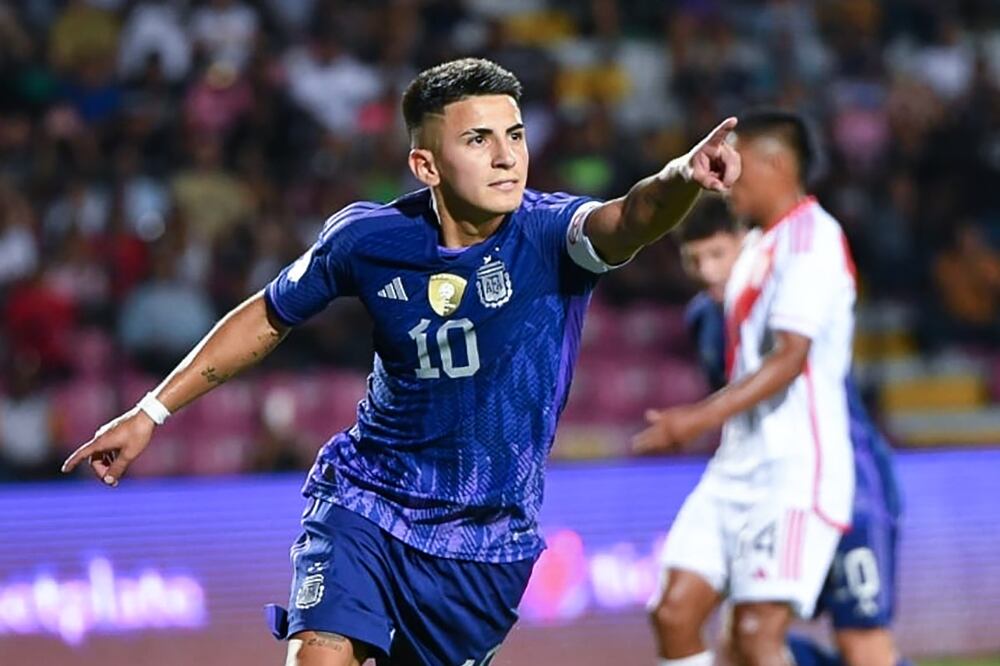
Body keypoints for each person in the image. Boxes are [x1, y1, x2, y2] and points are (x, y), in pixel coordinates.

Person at [62, 58, 740, 666]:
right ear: (426, 165)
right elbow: (271, 313)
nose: (507, 158)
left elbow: (633, 219)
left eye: (516, 135)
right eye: (479, 139)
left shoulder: (549, 235)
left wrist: (683, 175)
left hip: (485, 542)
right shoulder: (369, 238)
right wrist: (151, 412)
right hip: (368, 500)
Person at [633, 109, 857, 666]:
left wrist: (694, 420)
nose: (729, 175)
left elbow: (790, 359)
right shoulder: (756, 246)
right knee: (674, 612)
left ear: (776, 163)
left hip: (795, 471)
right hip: (736, 466)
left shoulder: (814, 240)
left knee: (757, 635)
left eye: (740, 162)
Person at [674, 200, 909, 666]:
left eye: (719, 254)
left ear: (749, 243)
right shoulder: (704, 320)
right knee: (742, 642)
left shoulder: (790, 290)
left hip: (844, 488)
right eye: (694, 260)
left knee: (862, 643)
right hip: (770, 491)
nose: (708, 272)